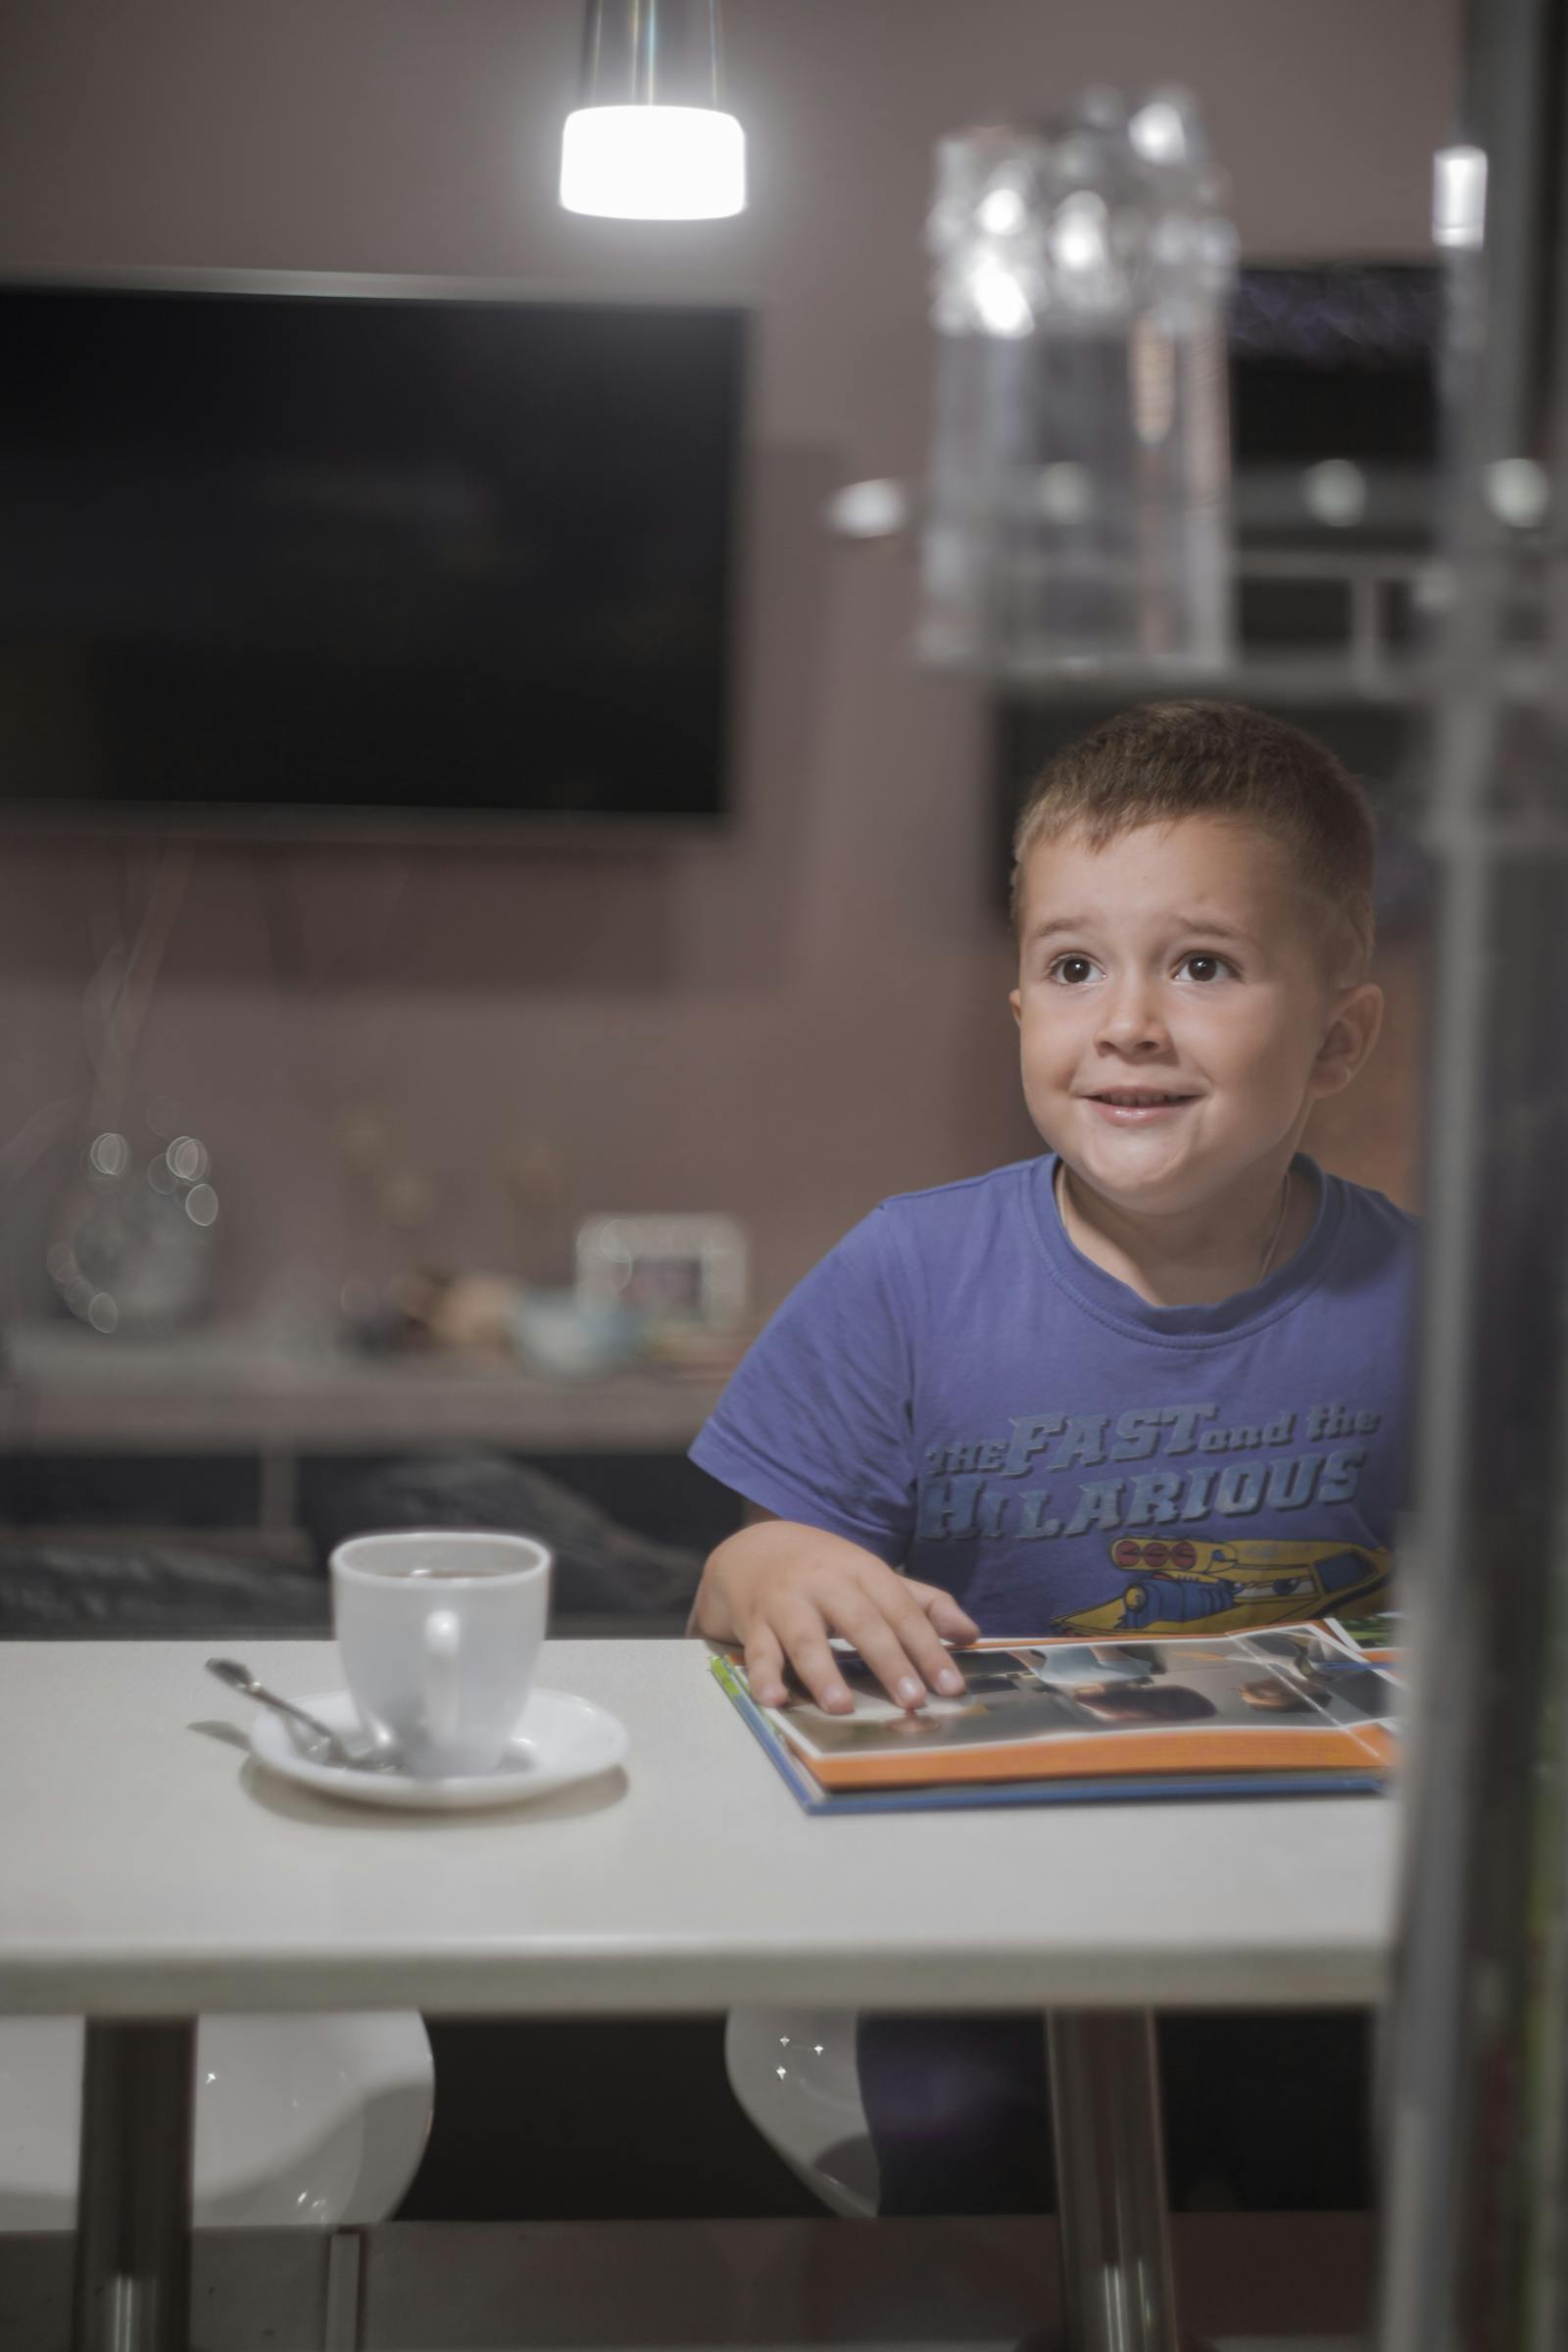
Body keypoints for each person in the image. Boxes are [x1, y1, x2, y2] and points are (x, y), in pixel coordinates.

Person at [688, 699, 1416, 2213]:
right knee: (1006, 2268)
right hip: (984, 1953)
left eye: (1202, 966)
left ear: (1339, 1036)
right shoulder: (904, 1275)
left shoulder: (1430, 1302)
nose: (1128, 1021)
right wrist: (782, 1565)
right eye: (1075, 966)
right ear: (1021, 1010)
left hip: (1327, 1958)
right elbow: (743, 1573)